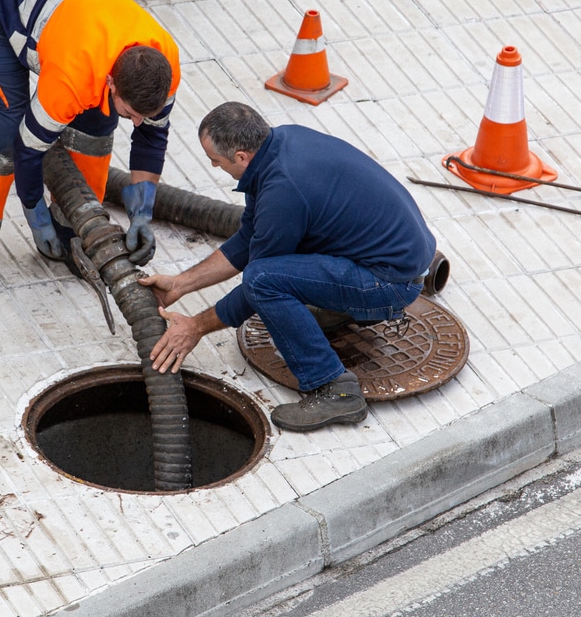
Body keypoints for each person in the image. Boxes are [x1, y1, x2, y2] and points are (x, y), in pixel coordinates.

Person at [140, 102, 437, 432]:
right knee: (272, 272)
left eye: (216, 160)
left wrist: (195, 326)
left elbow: (260, 283)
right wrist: (180, 284)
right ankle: (339, 309)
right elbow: (250, 236)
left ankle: (335, 389)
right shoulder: (281, 142)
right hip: (394, 254)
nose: (212, 165)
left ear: (241, 157)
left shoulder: (284, 189)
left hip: (392, 282)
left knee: (264, 279)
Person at [0, 0, 182, 301]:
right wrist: (36, 215)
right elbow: (27, 150)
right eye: (132, 113)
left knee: (97, 127)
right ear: (111, 82)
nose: (137, 123)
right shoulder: (71, 77)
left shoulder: (164, 61)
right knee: (5, 128)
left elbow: (152, 136)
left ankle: (73, 230)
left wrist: (142, 213)